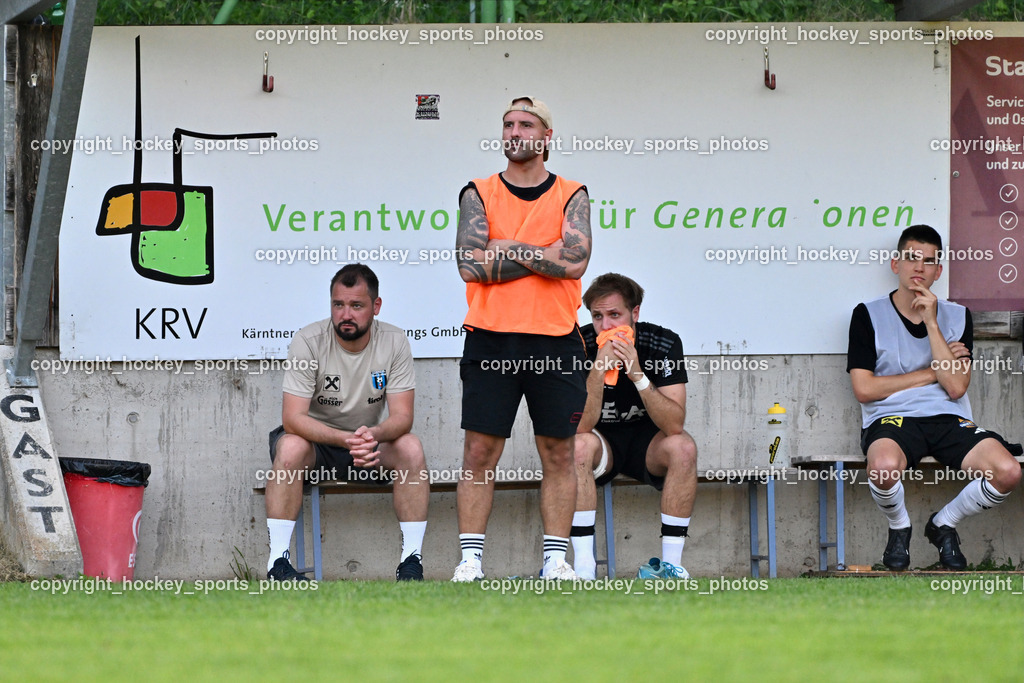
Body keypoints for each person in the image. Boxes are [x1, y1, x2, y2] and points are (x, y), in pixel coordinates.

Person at [452, 96, 592, 582]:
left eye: (525, 124)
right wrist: (541, 253)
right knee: (478, 452)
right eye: (508, 124)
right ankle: (470, 561)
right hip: (491, 340)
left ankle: (555, 560)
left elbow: (574, 262)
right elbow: (469, 264)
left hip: (556, 340)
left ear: (546, 136)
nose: (514, 132)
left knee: (559, 452)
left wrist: (506, 247)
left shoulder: (572, 192)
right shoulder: (479, 191)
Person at [848, 225, 1021, 570]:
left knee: (1007, 471)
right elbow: (865, 389)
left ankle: (942, 524)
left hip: (947, 418)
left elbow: (956, 387)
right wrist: (932, 372)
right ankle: (900, 528)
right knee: (882, 468)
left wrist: (931, 321)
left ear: (938, 270)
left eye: (928, 261)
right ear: (895, 263)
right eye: (911, 258)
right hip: (891, 419)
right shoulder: (867, 314)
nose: (919, 268)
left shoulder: (957, 316)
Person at [264, 263, 429, 581]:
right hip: (317, 445)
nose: (346, 314)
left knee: (410, 447)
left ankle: (411, 563)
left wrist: (372, 435)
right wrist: (345, 439)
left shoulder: (394, 341)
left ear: (375, 307)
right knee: (290, 446)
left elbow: (403, 418)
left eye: (356, 305)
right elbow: (293, 418)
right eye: (338, 305)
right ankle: (277, 564)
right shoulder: (308, 340)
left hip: (366, 444)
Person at [570, 273, 697, 580]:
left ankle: (671, 567)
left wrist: (638, 374)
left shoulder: (663, 342)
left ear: (635, 313)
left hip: (648, 441)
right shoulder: (579, 343)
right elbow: (580, 425)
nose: (607, 326)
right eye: (598, 316)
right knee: (575, 446)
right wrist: (599, 370)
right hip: (602, 442)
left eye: (615, 315)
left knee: (683, 448)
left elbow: (674, 424)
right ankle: (584, 567)